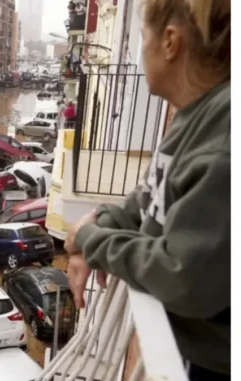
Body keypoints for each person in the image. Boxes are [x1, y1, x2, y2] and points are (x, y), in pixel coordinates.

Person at [63, 0, 230, 379]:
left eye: (142, 37)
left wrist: (91, 239)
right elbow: (147, 197)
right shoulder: (194, 114)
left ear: (170, 42)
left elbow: (183, 275)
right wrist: (102, 223)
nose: (140, 49)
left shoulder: (225, 130)